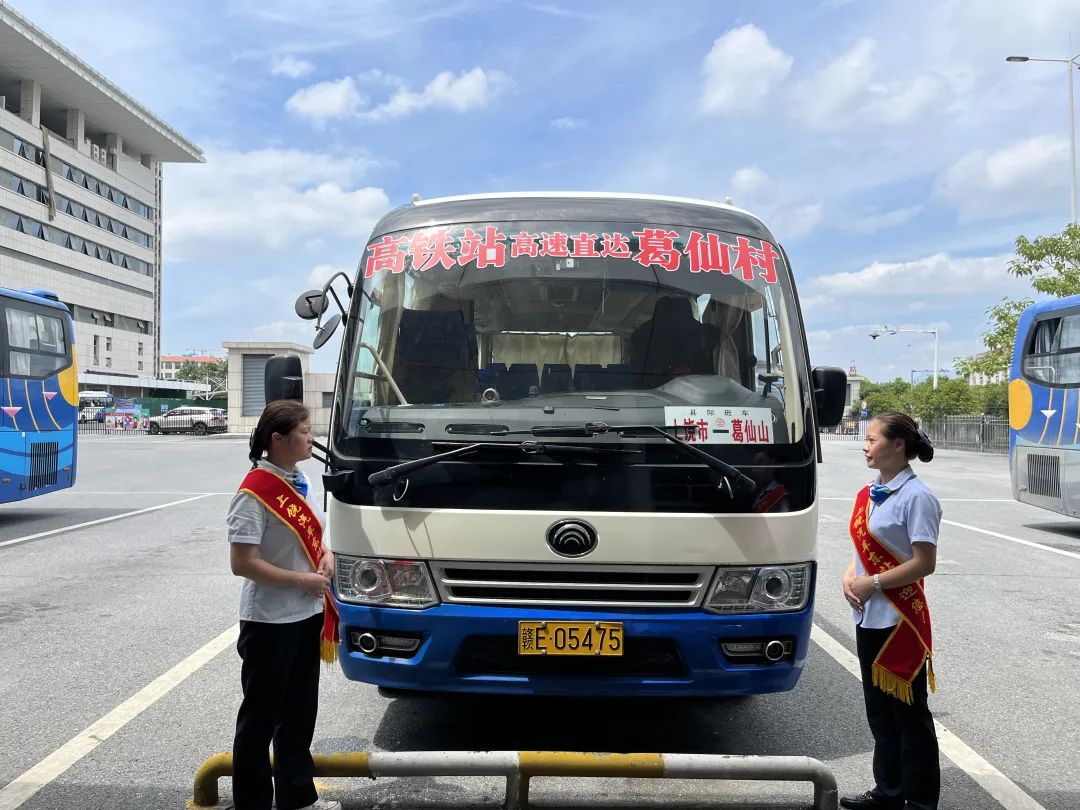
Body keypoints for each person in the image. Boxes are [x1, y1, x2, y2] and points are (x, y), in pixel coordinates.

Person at [227, 400, 340, 810]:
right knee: (260, 720)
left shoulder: (300, 480)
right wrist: (301, 580)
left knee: (298, 715)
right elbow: (242, 563)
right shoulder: (254, 493)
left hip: (307, 615)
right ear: (277, 439)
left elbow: (310, 540)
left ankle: (297, 798)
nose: (312, 438)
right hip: (270, 621)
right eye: (304, 431)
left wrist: (324, 555)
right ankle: (253, 803)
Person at [840, 412, 942, 810]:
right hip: (868, 614)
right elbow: (859, 552)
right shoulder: (868, 492)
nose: (865, 446)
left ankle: (918, 801)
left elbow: (924, 563)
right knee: (879, 713)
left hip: (900, 621)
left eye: (871, 439)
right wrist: (850, 576)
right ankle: (888, 791)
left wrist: (875, 583)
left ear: (897, 445)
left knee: (910, 717)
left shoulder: (918, 498)